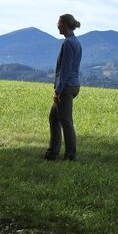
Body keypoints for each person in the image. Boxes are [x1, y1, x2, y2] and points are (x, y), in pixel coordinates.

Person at [45, 13, 82, 161]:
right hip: (73, 85)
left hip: (66, 87)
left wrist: (58, 91)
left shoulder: (68, 43)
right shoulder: (75, 41)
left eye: (59, 23)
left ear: (65, 25)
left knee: (65, 122)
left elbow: (64, 69)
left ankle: (70, 156)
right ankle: (52, 153)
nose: (57, 25)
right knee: (54, 118)